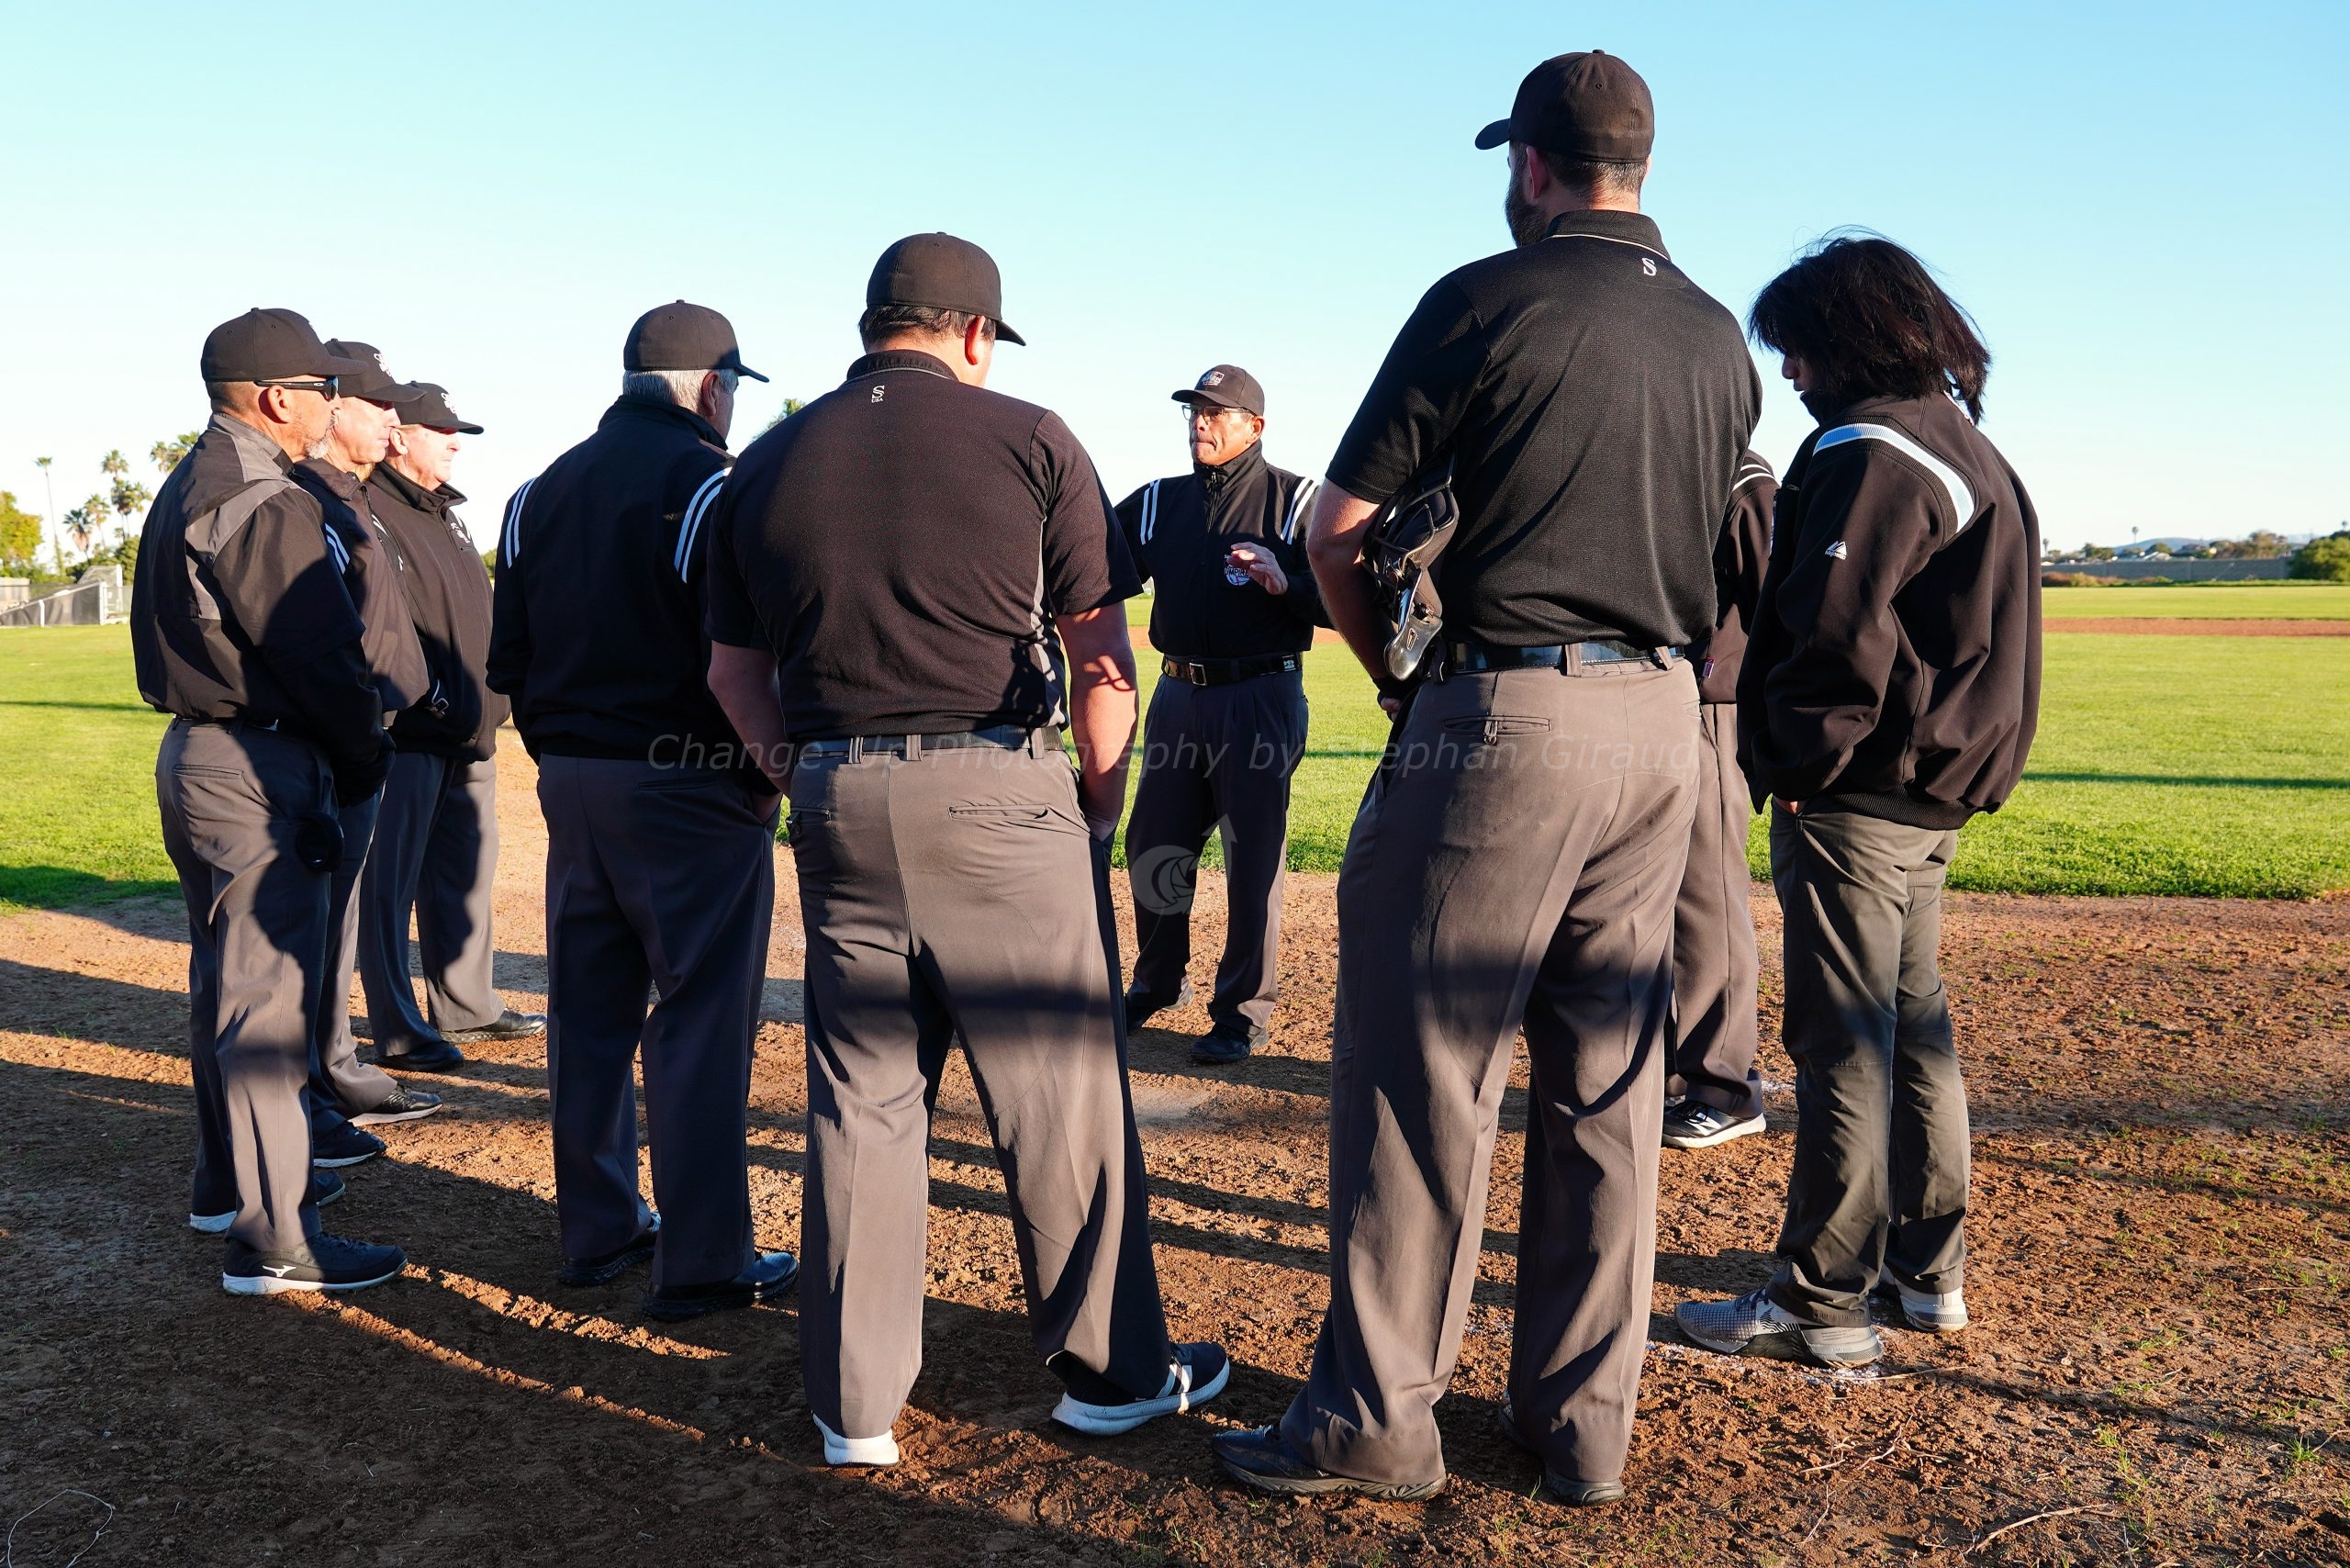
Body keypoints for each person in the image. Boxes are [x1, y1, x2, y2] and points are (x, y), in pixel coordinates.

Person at [1212, 52, 1760, 1506]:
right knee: (1609, 1085)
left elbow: (1337, 531)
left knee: (1423, 1073)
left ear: (1531, 164)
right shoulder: (1717, 336)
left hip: (1507, 716)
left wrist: (1403, 677)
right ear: (1641, 165)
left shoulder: (1484, 298)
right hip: (1664, 726)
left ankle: (1374, 1422)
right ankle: (1583, 1431)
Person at [701, 232, 1227, 1470]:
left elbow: (732, 674)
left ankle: (854, 1408)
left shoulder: (766, 459)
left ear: (872, 326)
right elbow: (1103, 663)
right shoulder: (1031, 435)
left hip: (838, 793)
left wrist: (803, 779)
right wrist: (1093, 801)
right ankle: (1112, 1376)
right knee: (1058, 1095)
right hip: (998, 786)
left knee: (863, 1102)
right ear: (976, 334)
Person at [1676, 236, 2042, 1368]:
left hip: (1860, 796)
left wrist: (1796, 768)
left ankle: (1821, 1302)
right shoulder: (1964, 443)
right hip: (1929, 794)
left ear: (1854, 335)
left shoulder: (1870, 446)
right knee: (1913, 1031)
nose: (1787, 370)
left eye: (1796, 345)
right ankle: (1926, 1276)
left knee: (1844, 1043)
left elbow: (1836, 637)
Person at [487, 302, 795, 1322]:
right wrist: (763, 778)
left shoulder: (536, 491)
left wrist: (565, 758)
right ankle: (704, 1260)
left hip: (573, 780)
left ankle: (599, 1229)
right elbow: (745, 658)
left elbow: (509, 662)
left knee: (588, 1013)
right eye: (732, 389)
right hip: (689, 784)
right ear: (711, 388)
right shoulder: (713, 483)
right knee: (702, 1020)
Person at [130, 308, 405, 1294]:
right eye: (323, 387)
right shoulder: (262, 494)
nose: (334, 401)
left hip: (205, 754)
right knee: (265, 1002)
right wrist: (364, 755)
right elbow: (321, 657)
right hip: (255, 763)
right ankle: (275, 1238)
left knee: (228, 986)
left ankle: (229, 1187)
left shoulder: (193, 476)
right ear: (276, 398)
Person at [1113, 365, 1326, 1064]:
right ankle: (1155, 981)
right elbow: (1091, 565)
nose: (1200, 423)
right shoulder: (1157, 503)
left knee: (1251, 855)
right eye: (1194, 412)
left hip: (1259, 695)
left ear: (1254, 426)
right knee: (1153, 842)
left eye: (1215, 412)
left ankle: (1241, 1012)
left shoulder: (1296, 502)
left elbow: (1345, 599)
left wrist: (1286, 584)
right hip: (1178, 695)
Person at [356, 382, 543, 1074]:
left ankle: (467, 1004)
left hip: (472, 729)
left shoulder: (445, 513)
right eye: (441, 431)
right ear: (400, 436)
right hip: (412, 731)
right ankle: (396, 1026)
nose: (455, 443)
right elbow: (386, 625)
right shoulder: (369, 507)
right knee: (388, 886)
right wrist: (429, 700)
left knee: (465, 873)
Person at [288, 343, 444, 1168]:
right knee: (317, 930)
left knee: (336, 924)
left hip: (366, 732)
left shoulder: (348, 492)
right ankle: (314, 1091)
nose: (393, 418)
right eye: (376, 403)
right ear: (332, 405)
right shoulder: (308, 494)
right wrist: (358, 741)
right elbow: (320, 644)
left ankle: (333, 1072)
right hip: (331, 744)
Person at [1661, 451, 1777, 1151]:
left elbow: (1778, 602)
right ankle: (1671, 1075)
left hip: (1711, 708)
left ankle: (1725, 1089)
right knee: (1641, 897)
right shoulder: (1656, 458)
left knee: (1706, 901)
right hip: (1648, 699)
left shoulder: (1739, 473)